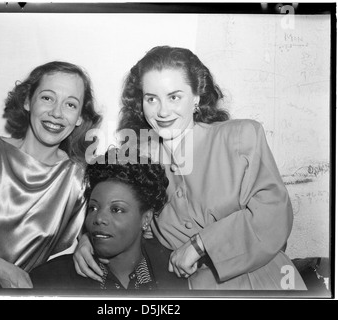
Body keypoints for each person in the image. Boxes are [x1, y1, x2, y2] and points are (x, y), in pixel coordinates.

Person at [73, 46, 307, 290]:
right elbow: (118, 212)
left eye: (174, 97)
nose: (162, 111)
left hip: (267, 282)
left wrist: (200, 244)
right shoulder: (139, 156)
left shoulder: (241, 137)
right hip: (193, 291)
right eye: (151, 99)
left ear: (196, 97)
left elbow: (274, 215)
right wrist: (89, 239)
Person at [0, 61, 101, 288]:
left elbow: (97, 226)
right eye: (47, 98)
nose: (56, 113)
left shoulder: (79, 180)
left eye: (70, 105)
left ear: (80, 118)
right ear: (27, 101)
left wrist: (86, 241)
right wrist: (0, 270)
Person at [30, 148, 188, 291]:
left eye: (116, 209)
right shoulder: (49, 280)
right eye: (93, 208)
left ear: (145, 219)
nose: (99, 218)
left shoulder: (175, 274)